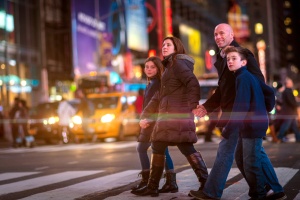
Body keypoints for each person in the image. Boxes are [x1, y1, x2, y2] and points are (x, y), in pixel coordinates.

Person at [189, 23, 286, 200]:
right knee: (251, 156)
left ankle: (212, 192)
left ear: (232, 35)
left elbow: (259, 82)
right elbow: (223, 89)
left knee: (227, 152)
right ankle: (273, 188)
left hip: (241, 114)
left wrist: (262, 109)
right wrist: (207, 106)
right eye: (215, 34)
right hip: (236, 114)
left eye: (222, 33)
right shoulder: (223, 59)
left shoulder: (242, 55)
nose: (218, 37)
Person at [131, 36, 208, 197]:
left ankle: (205, 183)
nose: (164, 47)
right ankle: (154, 186)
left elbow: (192, 83)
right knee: (161, 145)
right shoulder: (169, 67)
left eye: (168, 45)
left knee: (182, 147)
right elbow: (160, 95)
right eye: (163, 44)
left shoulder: (178, 64)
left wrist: (194, 105)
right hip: (168, 116)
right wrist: (145, 113)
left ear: (176, 47)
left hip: (177, 115)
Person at [224, 46, 281, 199]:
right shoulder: (246, 76)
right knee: (242, 159)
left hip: (252, 126)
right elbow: (269, 92)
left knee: (250, 163)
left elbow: (240, 107)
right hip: (250, 125)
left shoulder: (243, 78)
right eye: (228, 59)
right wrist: (264, 108)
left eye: (234, 58)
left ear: (243, 62)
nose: (230, 61)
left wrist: (228, 129)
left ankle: (259, 193)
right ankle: (269, 188)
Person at [131, 56, 177, 194]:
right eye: (147, 67)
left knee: (141, 148)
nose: (149, 70)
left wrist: (148, 120)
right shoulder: (151, 83)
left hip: (153, 122)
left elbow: (158, 105)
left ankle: (148, 181)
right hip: (152, 122)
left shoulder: (157, 83)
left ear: (158, 68)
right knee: (162, 151)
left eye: (152, 67)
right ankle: (171, 182)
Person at [276, 77, 300, 143]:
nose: (292, 83)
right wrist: (297, 103)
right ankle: (279, 137)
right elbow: (291, 101)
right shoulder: (288, 91)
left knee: (294, 126)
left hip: (289, 112)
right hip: (289, 112)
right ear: (288, 84)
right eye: (291, 82)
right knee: (285, 126)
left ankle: (298, 137)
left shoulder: (287, 91)